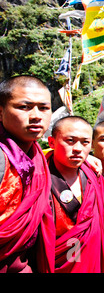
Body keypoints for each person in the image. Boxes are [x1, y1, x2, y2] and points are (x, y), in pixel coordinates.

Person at [0, 75, 55, 273]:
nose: (36, 115)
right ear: (0, 112)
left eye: (43, 108)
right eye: (24, 107)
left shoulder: (37, 157)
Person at [47, 116, 104, 273]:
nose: (78, 148)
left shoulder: (92, 175)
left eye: (85, 142)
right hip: (56, 262)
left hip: (91, 260)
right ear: (51, 142)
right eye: (70, 141)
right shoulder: (39, 177)